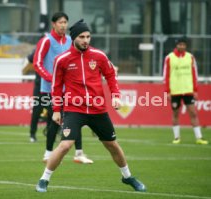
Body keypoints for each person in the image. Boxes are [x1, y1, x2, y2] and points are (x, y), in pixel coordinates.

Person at [35, 19, 146, 193]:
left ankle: (127, 177)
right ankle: (44, 179)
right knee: (65, 146)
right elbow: (56, 87)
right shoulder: (61, 60)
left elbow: (111, 76)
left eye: (88, 36)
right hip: (74, 109)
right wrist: (57, 110)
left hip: (97, 109)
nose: (86, 40)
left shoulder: (99, 56)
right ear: (74, 38)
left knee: (112, 145)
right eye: (81, 37)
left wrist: (116, 96)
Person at [33, 12, 93, 163]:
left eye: (65, 22)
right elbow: (37, 63)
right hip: (50, 90)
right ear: (54, 24)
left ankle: (79, 154)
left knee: (76, 118)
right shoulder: (46, 41)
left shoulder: (70, 41)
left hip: (71, 89)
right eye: (60, 22)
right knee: (55, 120)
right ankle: (47, 153)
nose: (63, 25)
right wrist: (51, 78)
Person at [163, 36, 208, 145]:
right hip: (175, 91)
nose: (181, 46)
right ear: (176, 45)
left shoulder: (190, 57)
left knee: (193, 112)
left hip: (188, 90)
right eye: (180, 44)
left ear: (186, 45)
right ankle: (177, 137)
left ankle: (199, 137)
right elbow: (166, 75)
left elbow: (194, 74)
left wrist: (195, 90)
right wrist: (167, 91)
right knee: (175, 114)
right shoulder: (169, 57)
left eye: (183, 44)